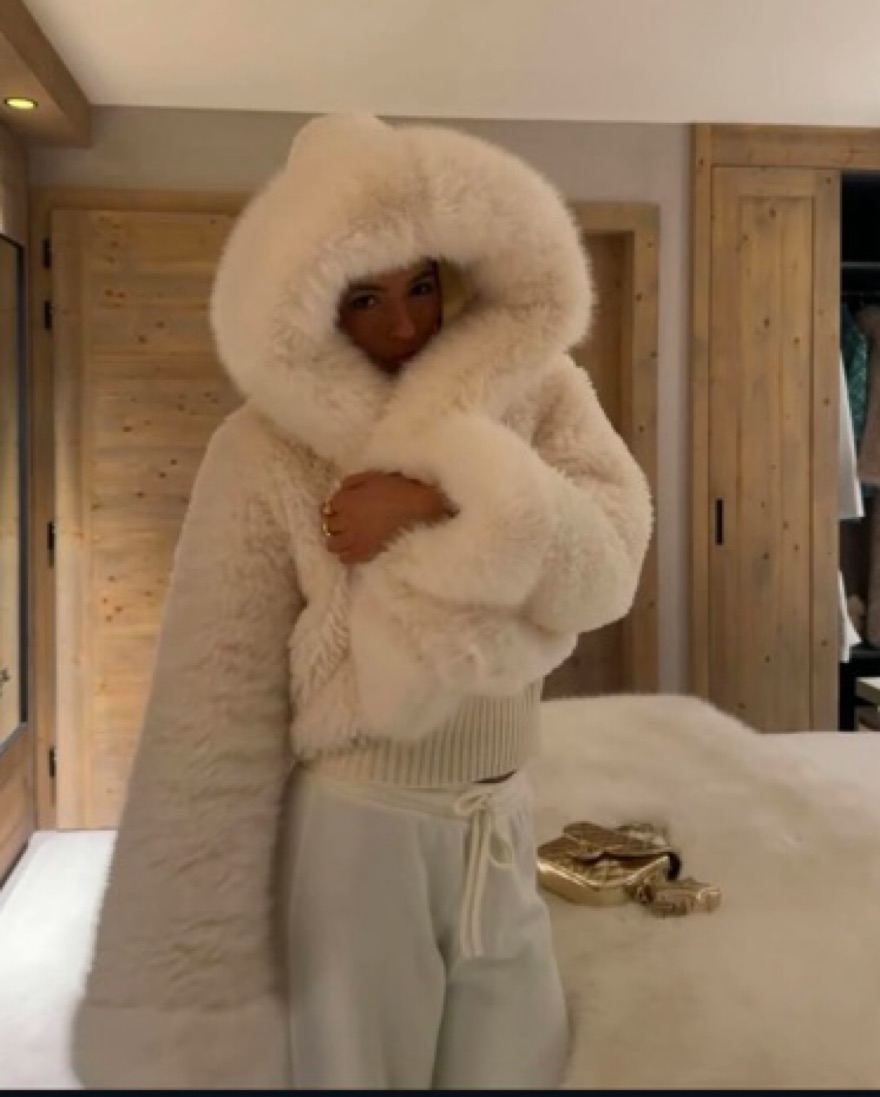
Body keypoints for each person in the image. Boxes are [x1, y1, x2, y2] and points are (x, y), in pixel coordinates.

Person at [71, 113, 653, 1090]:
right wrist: (188, 963)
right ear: (307, 299)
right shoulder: (260, 448)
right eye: (364, 297)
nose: (404, 326)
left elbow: (609, 569)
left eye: (420, 284)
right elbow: (214, 699)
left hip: (503, 812)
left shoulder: (539, 390)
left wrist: (441, 498)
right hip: (358, 828)